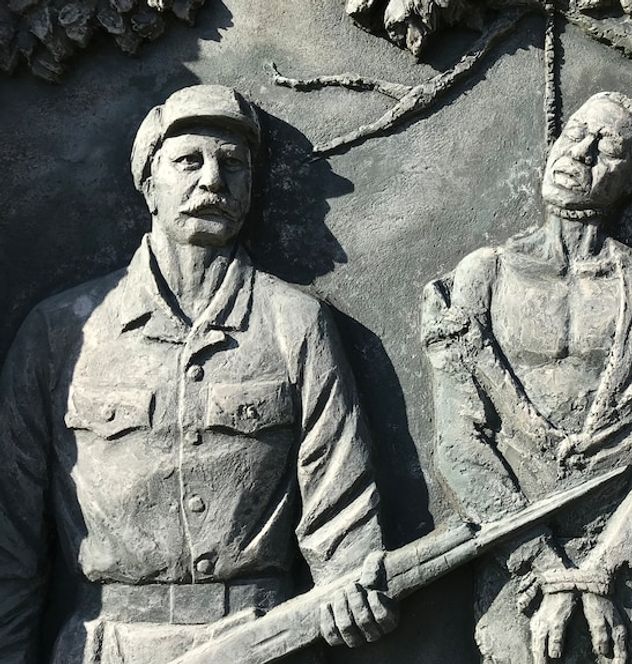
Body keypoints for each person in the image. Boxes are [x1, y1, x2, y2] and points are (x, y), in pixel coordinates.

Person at [0, 85, 396, 664]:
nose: (213, 180)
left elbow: (344, 516)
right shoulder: (59, 333)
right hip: (111, 649)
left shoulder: (295, 323)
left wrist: (354, 591)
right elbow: (9, 542)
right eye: (189, 161)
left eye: (233, 164)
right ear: (149, 183)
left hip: (266, 642)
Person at [422, 91, 632, 664]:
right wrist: (545, 569)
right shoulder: (483, 273)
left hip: (631, 561)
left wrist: (601, 571)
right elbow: (459, 441)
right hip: (515, 559)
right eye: (575, 133)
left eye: (606, 146)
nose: (580, 152)